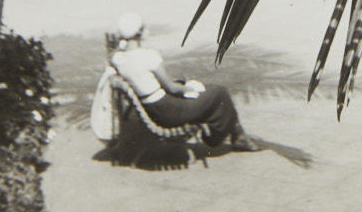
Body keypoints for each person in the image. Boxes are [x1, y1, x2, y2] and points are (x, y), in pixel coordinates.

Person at [110, 12, 259, 151]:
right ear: (139, 33)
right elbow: (172, 88)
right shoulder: (149, 56)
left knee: (204, 92)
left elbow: (118, 55)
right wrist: (188, 88)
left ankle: (234, 135)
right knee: (219, 92)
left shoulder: (118, 59)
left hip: (154, 110)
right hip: (168, 110)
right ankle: (226, 137)